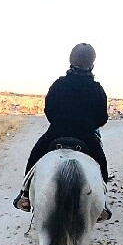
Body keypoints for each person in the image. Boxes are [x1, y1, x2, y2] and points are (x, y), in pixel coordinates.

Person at [13, 43, 111, 219]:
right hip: (86, 136)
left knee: (35, 154)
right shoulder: (97, 89)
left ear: (70, 61)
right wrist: (88, 125)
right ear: (92, 64)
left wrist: (60, 121)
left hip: (57, 132)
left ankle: (25, 195)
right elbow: (102, 118)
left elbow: (48, 110)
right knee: (101, 163)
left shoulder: (59, 84)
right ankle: (101, 203)